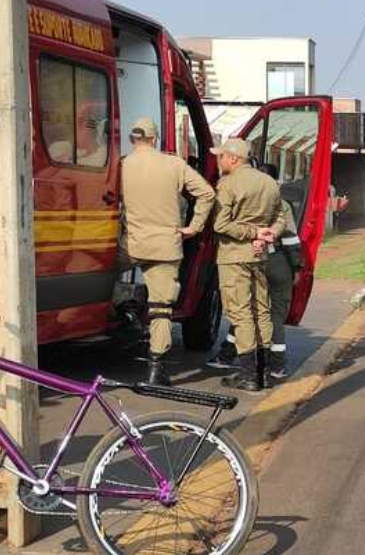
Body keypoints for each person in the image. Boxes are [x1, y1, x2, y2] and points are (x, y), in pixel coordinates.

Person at [120, 117, 216, 385]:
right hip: (166, 245)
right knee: (161, 308)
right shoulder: (174, 164)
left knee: (101, 276)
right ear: (155, 139)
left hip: (131, 244)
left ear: (132, 139)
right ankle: (155, 370)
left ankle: (124, 305)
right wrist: (194, 227)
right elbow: (207, 193)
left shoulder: (122, 165)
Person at [209, 165, 303, 381]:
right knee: (273, 315)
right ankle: (275, 366)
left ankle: (228, 356)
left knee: (243, 313)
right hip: (278, 262)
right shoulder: (281, 203)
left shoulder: (242, 197)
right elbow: (290, 239)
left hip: (250, 257)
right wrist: (297, 267)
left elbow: (224, 224)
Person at [211, 138, 285, 392]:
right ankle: (264, 373)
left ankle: (247, 375)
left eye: (221, 156)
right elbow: (280, 218)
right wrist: (268, 234)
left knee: (241, 314)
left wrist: (254, 233)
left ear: (233, 158)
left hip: (234, 256)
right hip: (260, 256)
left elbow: (221, 225)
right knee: (261, 310)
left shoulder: (228, 184)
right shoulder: (269, 182)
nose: (218, 160)